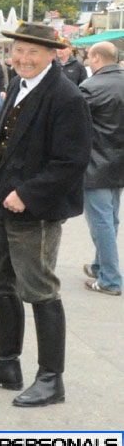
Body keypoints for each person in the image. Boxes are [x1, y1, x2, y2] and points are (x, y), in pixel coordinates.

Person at [0, 22, 91, 407]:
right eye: (19, 50)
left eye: (33, 51)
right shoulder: (20, 84)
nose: (23, 58)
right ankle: (6, 364)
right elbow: (4, 136)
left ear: (53, 54)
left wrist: (28, 194)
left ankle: (51, 379)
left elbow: (72, 161)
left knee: (39, 289)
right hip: (4, 204)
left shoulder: (66, 96)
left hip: (35, 211)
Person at [80, 41, 124, 296]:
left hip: (96, 162)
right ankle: (100, 266)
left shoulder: (91, 87)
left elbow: (75, 126)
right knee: (111, 218)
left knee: (101, 222)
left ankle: (110, 279)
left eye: (88, 56)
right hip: (119, 163)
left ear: (97, 58)